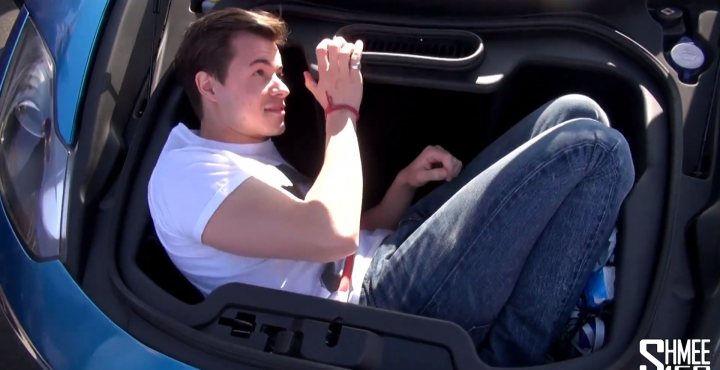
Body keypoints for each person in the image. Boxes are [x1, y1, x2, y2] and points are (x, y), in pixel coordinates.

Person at [148, 8, 635, 366]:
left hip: (387, 254)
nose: (282, 87)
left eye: (278, 73)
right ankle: (517, 351)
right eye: (260, 74)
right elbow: (329, 235)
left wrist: (404, 185)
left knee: (575, 112)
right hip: (375, 309)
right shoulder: (188, 178)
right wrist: (341, 115)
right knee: (597, 150)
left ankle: (568, 273)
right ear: (208, 86)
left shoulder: (244, 148)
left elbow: (338, 237)